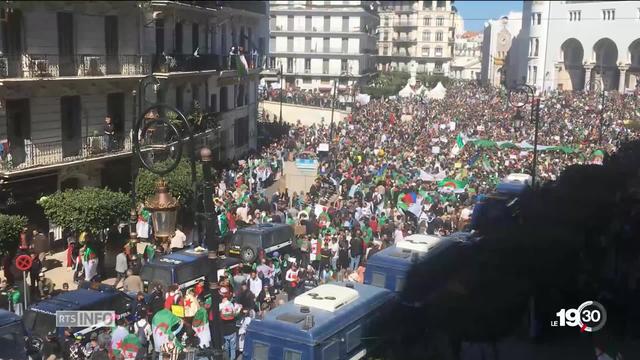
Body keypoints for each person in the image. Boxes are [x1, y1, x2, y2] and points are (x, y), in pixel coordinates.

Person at [219, 287, 241, 360]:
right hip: (232, 330)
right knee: (232, 347)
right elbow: (235, 314)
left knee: (226, 348)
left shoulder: (220, 306)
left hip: (224, 331)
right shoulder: (231, 305)